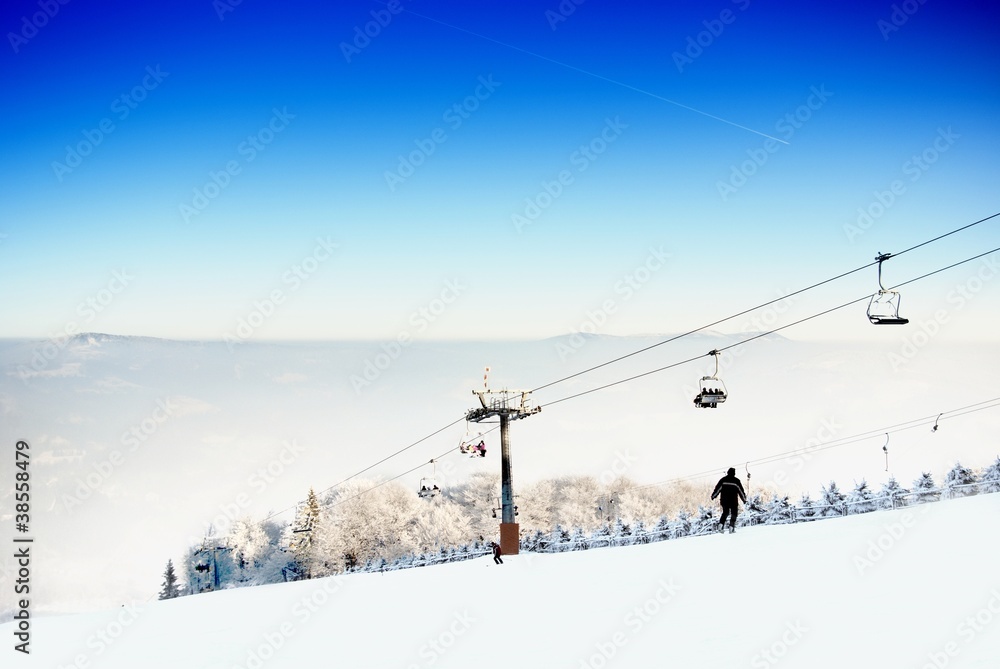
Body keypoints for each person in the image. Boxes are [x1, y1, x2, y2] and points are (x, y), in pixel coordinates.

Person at [711, 467, 747, 534]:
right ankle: (731, 527)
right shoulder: (736, 481)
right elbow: (741, 491)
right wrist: (744, 500)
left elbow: (717, 489)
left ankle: (721, 525)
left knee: (725, 512)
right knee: (734, 513)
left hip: (724, 501)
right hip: (733, 501)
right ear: (734, 473)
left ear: (728, 472)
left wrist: (714, 495)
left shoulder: (723, 480)